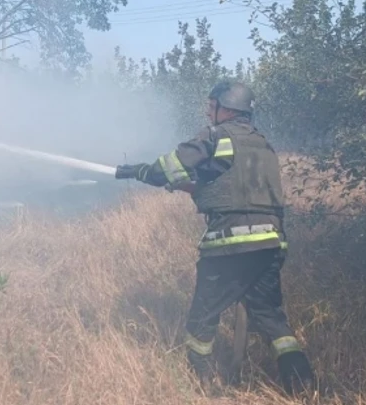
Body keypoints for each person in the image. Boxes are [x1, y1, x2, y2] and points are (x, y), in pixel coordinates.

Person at [115, 81, 315, 396]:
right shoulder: (263, 145)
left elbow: (167, 167)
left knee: (202, 319)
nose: (209, 112)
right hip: (272, 244)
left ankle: (202, 389)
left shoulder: (215, 137)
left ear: (227, 107)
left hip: (231, 244)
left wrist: (142, 172)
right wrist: (185, 186)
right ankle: (304, 388)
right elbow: (234, 189)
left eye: (211, 106)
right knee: (272, 319)